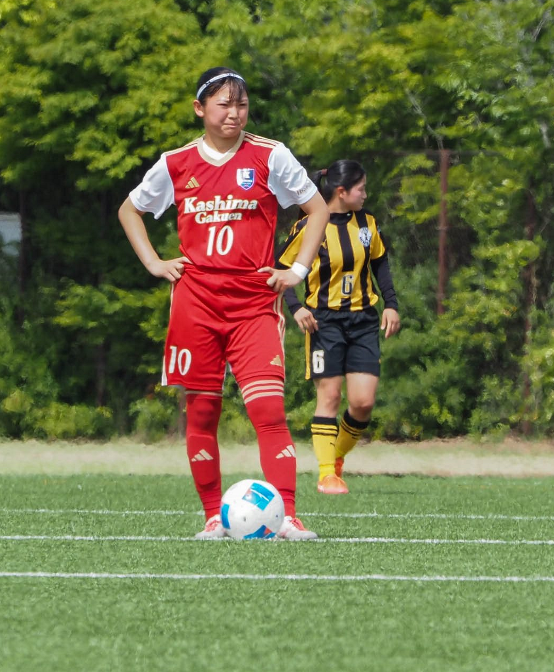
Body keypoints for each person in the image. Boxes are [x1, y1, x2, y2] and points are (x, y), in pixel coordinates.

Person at [118, 67, 329, 540]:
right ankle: (214, 517)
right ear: (200, 108)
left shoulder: (271, 156)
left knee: (269, 410)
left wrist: (296, 271)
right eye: (223, 104)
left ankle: (288, 517)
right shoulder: (176, 163)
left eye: (242, 104)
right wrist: (153, 262)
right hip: (196, 304)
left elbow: (317, 209)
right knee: (202, 412)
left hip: (253, 303)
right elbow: (129, 210)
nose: (234, 113)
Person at [277, 159, 399, 494]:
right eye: (361, 188)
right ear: (342, 192)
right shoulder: (309, 226)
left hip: (362, 321)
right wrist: (296, 307)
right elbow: (281, 269)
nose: (365, 194)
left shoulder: (367, 223)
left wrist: (391, 304)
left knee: (362, 402)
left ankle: (337, 456)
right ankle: (327, 473)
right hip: (324, 321)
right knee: (329, 395)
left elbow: (380, 262)